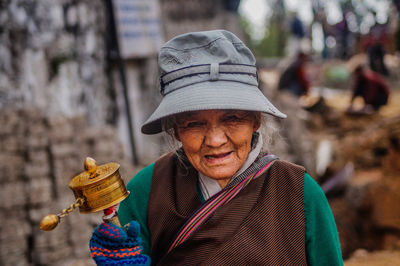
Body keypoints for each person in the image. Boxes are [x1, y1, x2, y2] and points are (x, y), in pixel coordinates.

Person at [89, 30, 343, 265]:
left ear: (256, 120)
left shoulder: (299, 193)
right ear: (176, 129)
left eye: (232, 118)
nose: (214, 140)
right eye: (194, 123)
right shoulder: (146, 191)